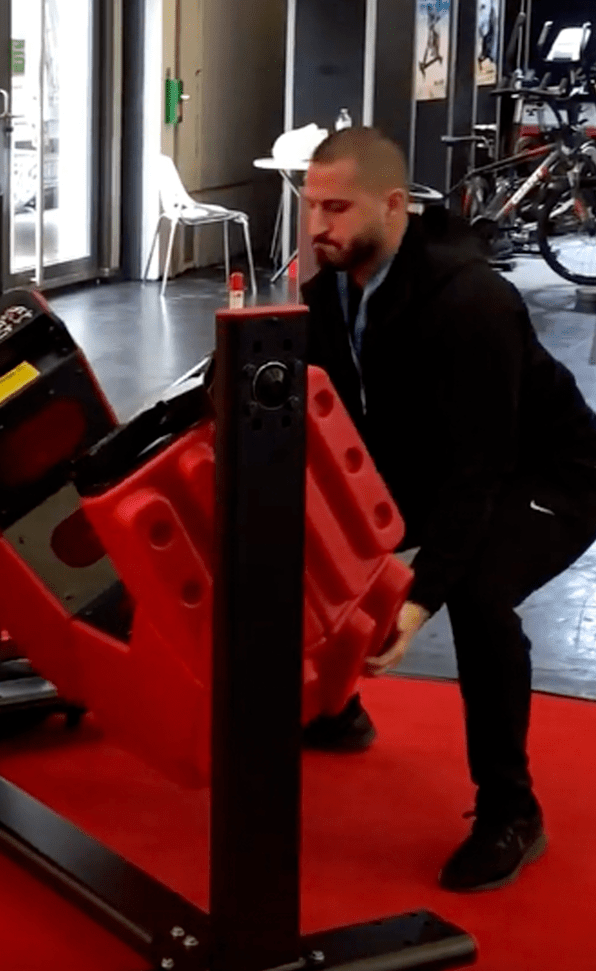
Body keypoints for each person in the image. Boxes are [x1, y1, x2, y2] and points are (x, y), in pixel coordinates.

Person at [297, 126, 596, 892]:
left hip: (551, 475)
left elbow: (480, 469)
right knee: (298, 522)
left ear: (393, 205)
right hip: (434, 467)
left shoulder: (471, 301)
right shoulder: (329, 292)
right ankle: (333, 707)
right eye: (311, 205)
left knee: (476, 588)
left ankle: (510, 810)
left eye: (337, 207)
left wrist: (417, 596)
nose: (317, 224)